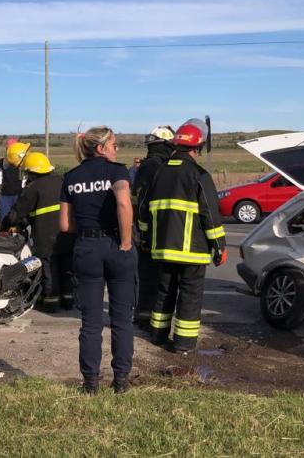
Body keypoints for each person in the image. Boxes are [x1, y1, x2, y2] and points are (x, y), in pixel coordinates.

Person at [59, 126, 136, 394]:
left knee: (90, 323)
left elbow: (65, 225)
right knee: (121, 319)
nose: (118, 149)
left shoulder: (71, 177)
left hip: (87, 248)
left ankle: (91, 383)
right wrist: (125, 242)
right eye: (115, 144)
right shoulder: (117, 171)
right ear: (102, 148)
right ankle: (121, 382)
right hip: (116, 245)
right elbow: (124, 204)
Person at [140, 123, 226, 355]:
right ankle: (183, 344)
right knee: (190, 295)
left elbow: (143, 209)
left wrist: (147, 237)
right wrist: (219, 247)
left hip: (162, 249)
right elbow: (211, 215)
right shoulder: (199, 175)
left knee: (164, 291)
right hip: (192, 251)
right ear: (196, 149)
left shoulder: (158, 171)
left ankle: (157, 335)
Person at [3, 152, 74, 312]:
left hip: (46, 238)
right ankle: (68, 301)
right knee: (66, 270)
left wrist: (5, 224)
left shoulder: (33, 188)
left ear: (31, 172)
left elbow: (18, 213)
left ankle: (51, 304)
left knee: (50, 271)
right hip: (67, 235)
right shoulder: (62, 181)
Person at [131, 125, 175, 324]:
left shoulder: (161, 164)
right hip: (149, 233)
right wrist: (144, 233)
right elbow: (142, 202)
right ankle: (144, 317)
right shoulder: (153, 166)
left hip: (161, 231)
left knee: (158, 277)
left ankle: (152, 317)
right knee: (149, 277)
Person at [0, 140, 30, 221]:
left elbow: (30, 172)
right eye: (8, 148)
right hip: (5, 196)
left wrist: (27, 186)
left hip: (18, 195)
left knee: (18, 219)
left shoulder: (22, 161)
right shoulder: (3, 162)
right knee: (4, 219)